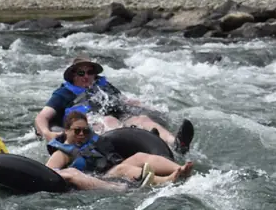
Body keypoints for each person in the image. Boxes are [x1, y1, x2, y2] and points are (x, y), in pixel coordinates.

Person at [34, 56, 193, 153]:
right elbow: (42, 117)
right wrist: (47, 133)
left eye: (90, 72)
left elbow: (125, 101)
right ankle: (136, 147)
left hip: (115, 118)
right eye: (81, 73)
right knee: (109, 120)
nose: (86, 76)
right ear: (73, 76)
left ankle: (175, 144)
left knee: (142, 119)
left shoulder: (104, 87)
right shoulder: (63, 93)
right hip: (91, 125)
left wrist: (152, 108)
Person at [45, 111, 193, 189]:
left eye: (85, 130)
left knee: (140, 156)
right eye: (77, 131)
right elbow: (47, 173)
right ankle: (167, 180)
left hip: (108, 167)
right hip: (98, 178)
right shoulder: (62, 153)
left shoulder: (89, 141)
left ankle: (180, 168)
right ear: (67, 130)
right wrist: (73, 175)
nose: (82, 134)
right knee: (123, 168)